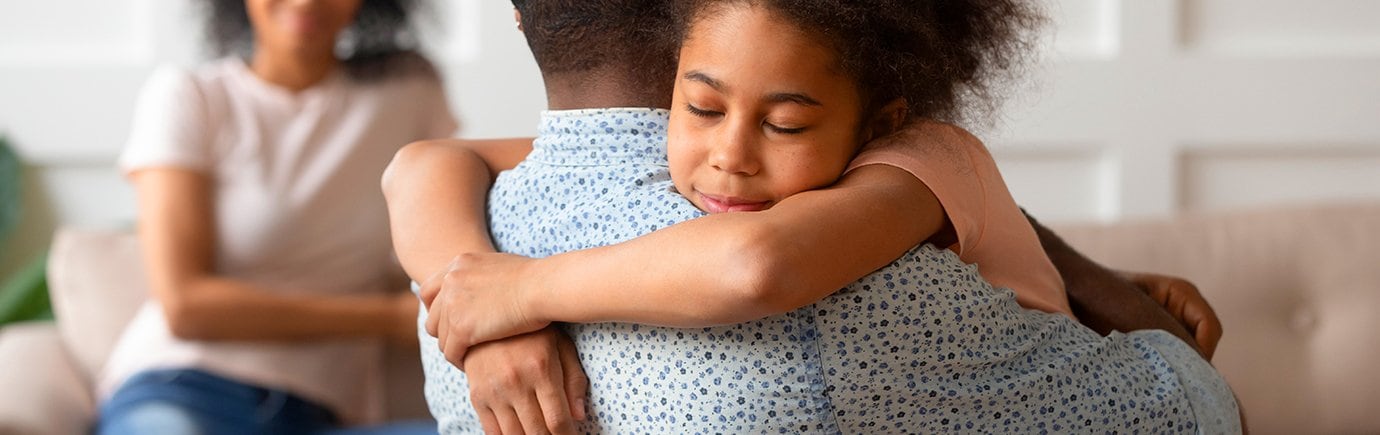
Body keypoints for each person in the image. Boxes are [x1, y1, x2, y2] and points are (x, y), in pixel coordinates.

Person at [385, 1, 1232, 433]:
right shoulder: (688, 155)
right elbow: (420, 161)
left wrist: (517, 292)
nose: (731, 155)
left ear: (878, 121)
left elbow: (754, 262)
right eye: (702, 106)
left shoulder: (916, 162)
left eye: (786, 124)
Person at [95, 0, 456, 434]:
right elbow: (185, 306)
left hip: (320, 414)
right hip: (182, 388)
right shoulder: (189, 96)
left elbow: (451, 221)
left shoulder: (409, 91)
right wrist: (387, 317)